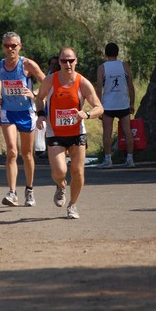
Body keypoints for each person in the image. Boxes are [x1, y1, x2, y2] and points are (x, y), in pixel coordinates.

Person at [35, 47, 103, 219]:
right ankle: (61, 185)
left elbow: (99, 107)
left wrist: (86, 114)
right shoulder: (50, 80)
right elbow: (39, 98)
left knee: (78, 172)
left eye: (71, 60)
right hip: (55, 132)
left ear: (76, 61)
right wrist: (41, 115)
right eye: (64, 60)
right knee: (59, 171)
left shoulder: (83, 83)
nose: (67, 64)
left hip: (77, 132)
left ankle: (72, 205)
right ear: (59, 62)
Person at [0, 32, 46, 207]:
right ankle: (12, 192)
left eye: (13, 45)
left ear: (20, 46)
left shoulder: (27, 64)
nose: (10, 49)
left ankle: (29, 190)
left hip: (26, 112)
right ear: (3, 47)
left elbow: (46, 82)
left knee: (27, 154)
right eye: (7, 45)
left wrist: (35, 94)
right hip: (8, 111)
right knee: (11, 152)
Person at [96, 42, 136, 168]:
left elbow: (98, 89)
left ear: (105, 53)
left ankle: (108, 160)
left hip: (108, 106)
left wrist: (98, 106)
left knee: (107, 132)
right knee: (127, 132)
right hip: (123, 104)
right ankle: (130, 159)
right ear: (117, 52)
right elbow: (131, 87)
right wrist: (132, 103)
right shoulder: (124, 66)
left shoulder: (102, 68)